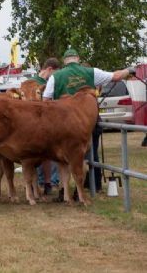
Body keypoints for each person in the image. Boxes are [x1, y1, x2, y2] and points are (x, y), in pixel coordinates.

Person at [42, 48, 136, 200]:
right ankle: (91, 186)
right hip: (88, 121)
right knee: (89, 156)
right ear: (77, 59)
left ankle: (64, 191)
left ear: (65, 61)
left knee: (62, 160)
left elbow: (45, 101)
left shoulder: (56, 76)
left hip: (63, 125)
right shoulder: (91, 72)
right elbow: (117, 76)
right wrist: (129, 70)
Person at [29, 58, 61, 195]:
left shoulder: (43, 82)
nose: (55, 76)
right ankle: (42, 182)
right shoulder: (32, 84)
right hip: (36, 124)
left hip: (45, 124)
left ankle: (48, 182)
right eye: (55, 73)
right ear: (49, 69)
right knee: (37, 155)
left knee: (47, 155)